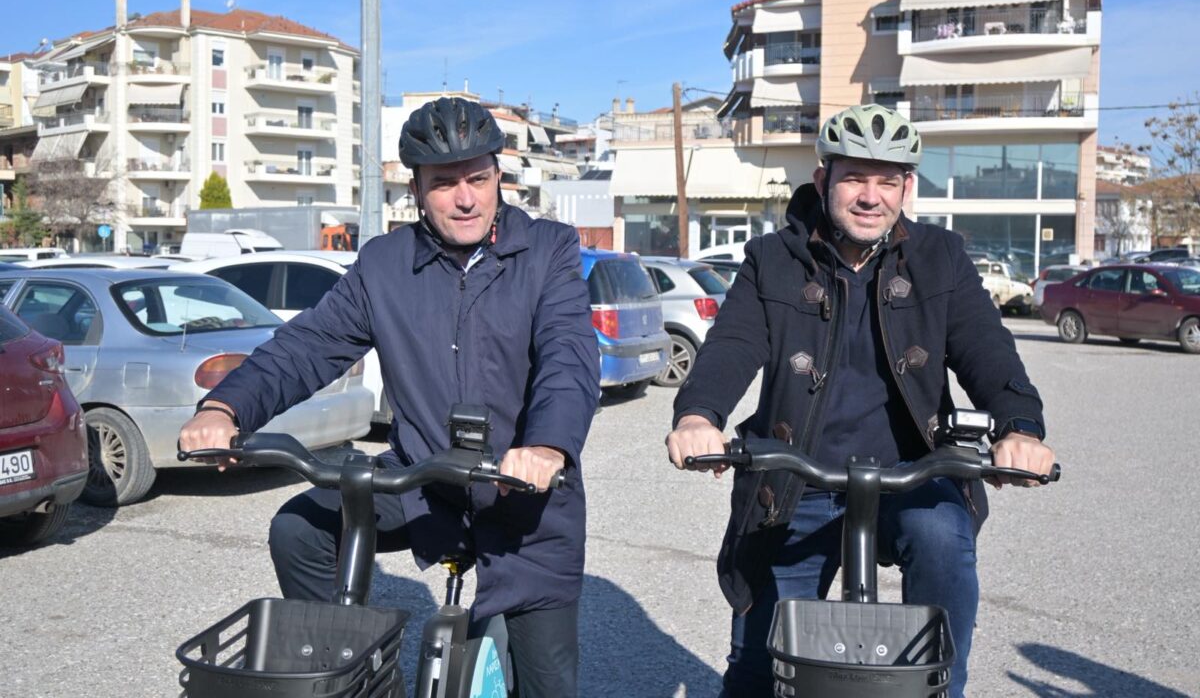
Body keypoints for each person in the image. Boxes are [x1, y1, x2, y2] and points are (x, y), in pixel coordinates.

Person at [179, 96, 600, 697]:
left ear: (498, 177)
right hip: (425, 484)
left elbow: (568, 356)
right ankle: (357, 680)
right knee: (299, 530)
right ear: (416, 190)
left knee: (547, 684)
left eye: (479, 179)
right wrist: (226, 407)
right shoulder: (384, 265)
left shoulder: (548, 250)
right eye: (444, 183)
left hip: (526, 498)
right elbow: (308, 345)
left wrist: (547, 447)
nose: (466, 198)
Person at [665, 104, 1056, 697]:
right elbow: (732, 345)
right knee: (757, 666)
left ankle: (940, 686)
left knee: (943, 545)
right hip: (796, 481)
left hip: (912, 475)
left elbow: (987, 349)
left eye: (887, 181)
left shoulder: (941, 257)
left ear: (907, 188)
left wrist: (1020, 427)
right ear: (824, 180)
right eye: (854, 178)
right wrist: (699, 416)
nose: (871, 197)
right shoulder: (773, 259)